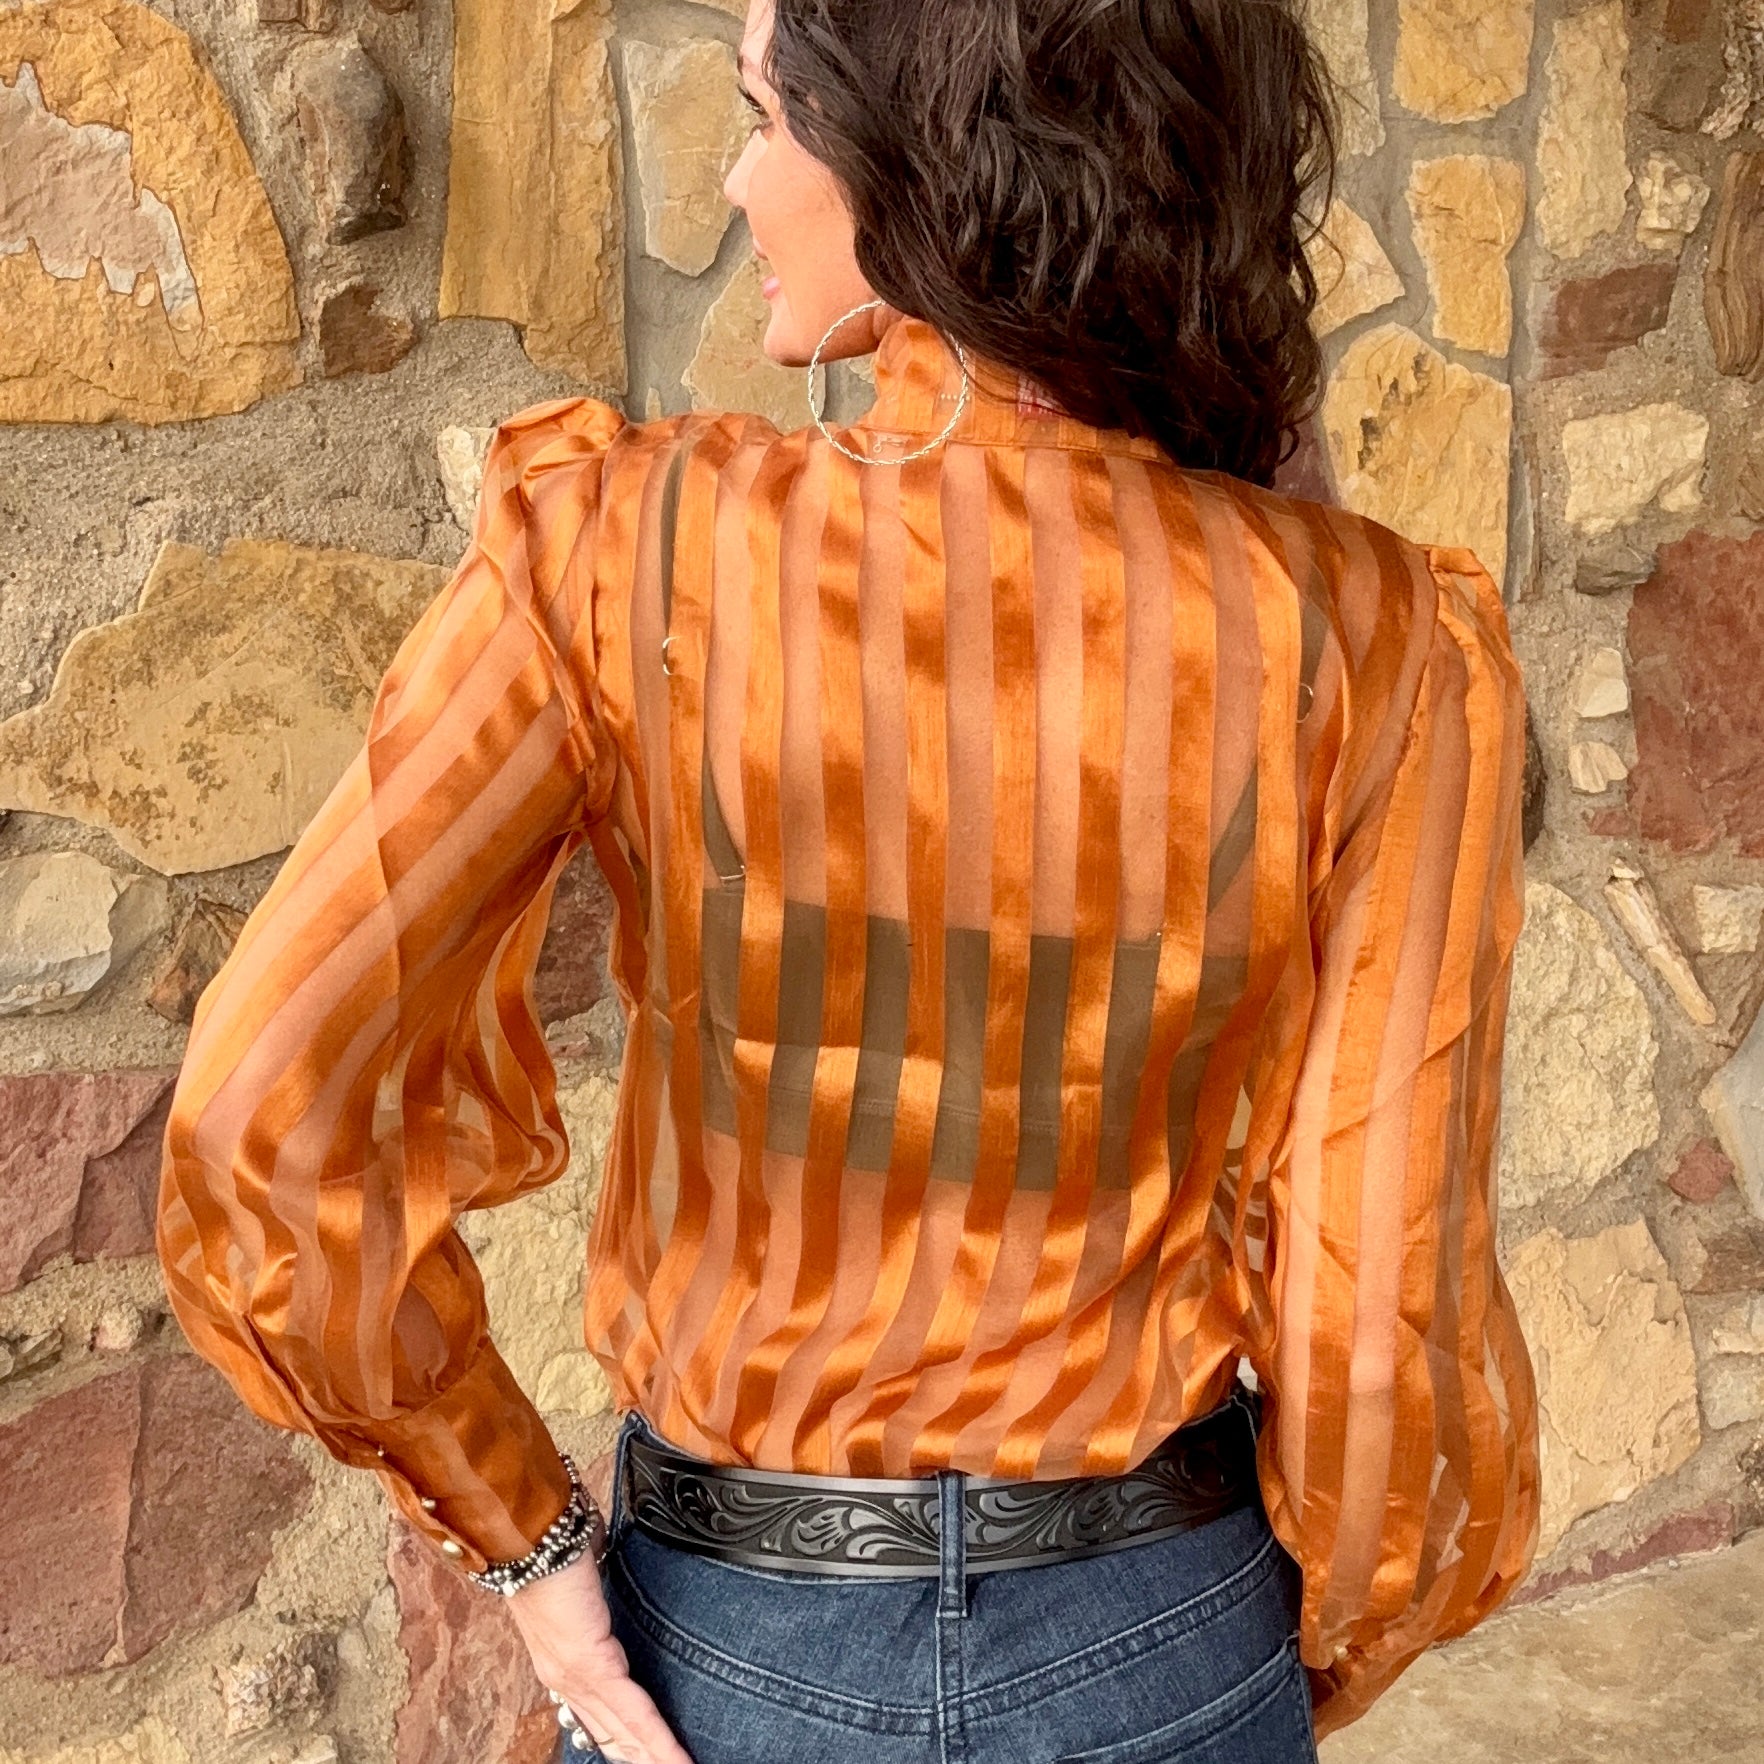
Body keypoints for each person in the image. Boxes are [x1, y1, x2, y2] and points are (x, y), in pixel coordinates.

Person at [155, 0, 1542, 1759]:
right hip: (1161, 1621)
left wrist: (524, 1538)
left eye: (765, 116)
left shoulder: (623, 551)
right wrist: (1279, 1654)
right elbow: (1385, 1295)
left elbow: (261, 1116)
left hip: (733, 1650)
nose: (739, 183)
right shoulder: (1379, 643)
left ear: (922, 152)